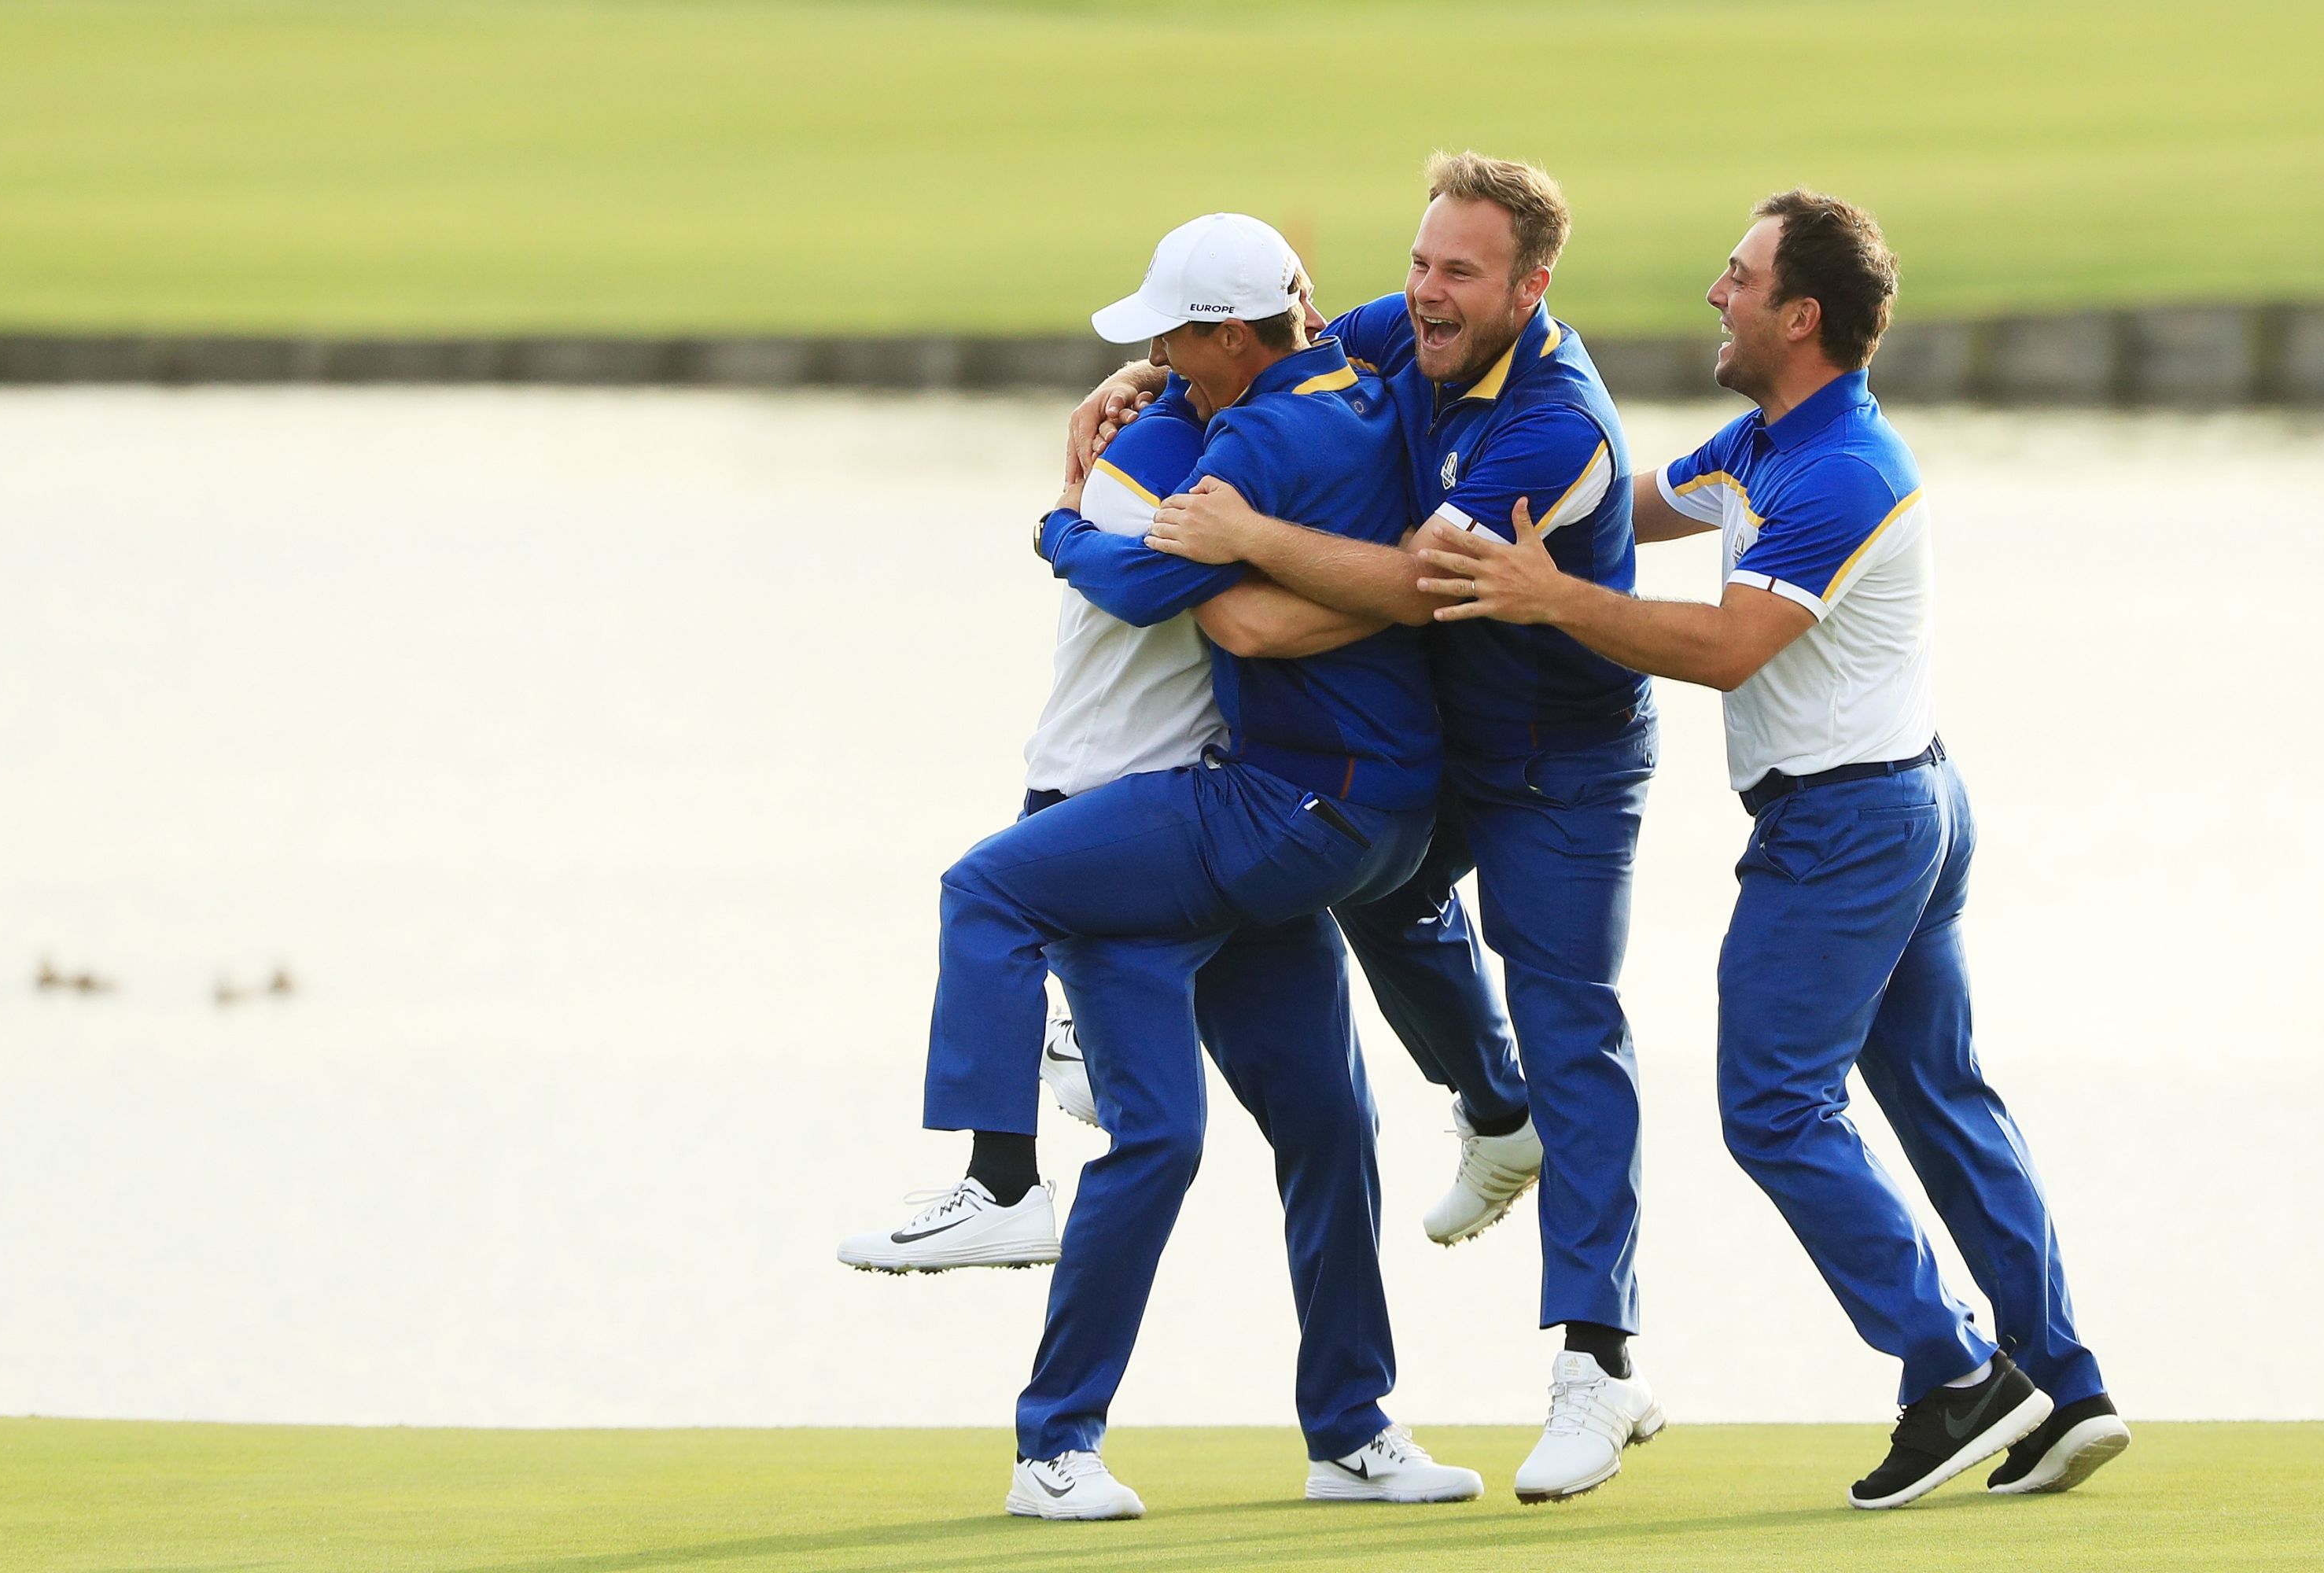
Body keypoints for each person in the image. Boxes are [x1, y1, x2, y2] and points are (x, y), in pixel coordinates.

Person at [1412, 187, 2130, 1509]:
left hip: (1849, 827)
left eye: (1736, 278)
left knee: (1774, 1107)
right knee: (1940, 1099)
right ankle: (2066, 1387)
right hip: (1904, 801)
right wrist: (1522, 499)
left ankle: (1956, 1372)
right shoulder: (1765, 441)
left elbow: (1730, 646)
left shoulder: (1839, 467)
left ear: (1800, 315)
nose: (1713, 294)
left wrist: (1547, 597)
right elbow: (1630, 501)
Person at [845, 214, 1482, 1516]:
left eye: (1173, 336)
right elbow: (1163, 591)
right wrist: (1063, 509)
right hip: (1111, 818)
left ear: (1241, 333)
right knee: (1164, 1140)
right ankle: (1051, 1442)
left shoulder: (1277, 411)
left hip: (1224, 813)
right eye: (1149, 347)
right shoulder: (1147, 455)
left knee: (1330, 1124)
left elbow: (1350, 332)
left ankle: (1350, 1429)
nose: (1151, 357)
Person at [1114, 153, 1663, 1501]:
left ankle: (1598, 1366)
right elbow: (1271, 359)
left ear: (1530, 289)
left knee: (1572, 1020)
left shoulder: (1556, 423)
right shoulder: (1403, 331)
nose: (1423, 292)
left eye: (1459, 273)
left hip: (1562, 764)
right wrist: (1135, 386)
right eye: (1421, 261)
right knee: (1376, 890)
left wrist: (1243, 534)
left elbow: (1427, 581)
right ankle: (1492, 1110)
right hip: (1446, 740)